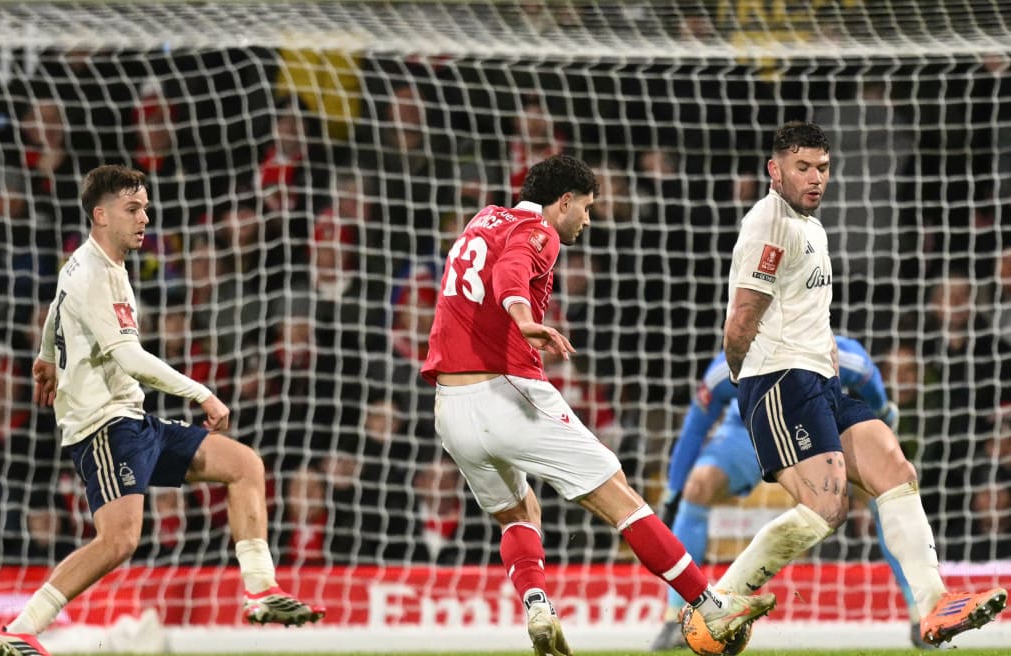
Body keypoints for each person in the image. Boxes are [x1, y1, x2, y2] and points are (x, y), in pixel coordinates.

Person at [420, 154, 776, 656]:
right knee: (621, 498)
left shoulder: (484, 219)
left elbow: (495, 269)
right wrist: (522, 319)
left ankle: (538, 603)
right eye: (585, 208)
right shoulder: (536, 231)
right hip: (505, 392)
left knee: (518, 512)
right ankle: (711, 606)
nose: (587, 219)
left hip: (450, 408)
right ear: (562, 201)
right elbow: (512, 274)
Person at [0, 165, 325, 656]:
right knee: (119, 540)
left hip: (132, 418)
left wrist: (45, 357)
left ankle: (260, 590)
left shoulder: (92, 264)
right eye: (133, 209)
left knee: (244, 466)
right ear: (100, 215)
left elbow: (56, 304)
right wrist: (202, 394)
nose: (145, 217)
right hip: (103, 426)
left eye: (145, 207)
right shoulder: (92, 277)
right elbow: (129, 357)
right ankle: (19, 628)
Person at [718, 121, 1006, 647]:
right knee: (826, 510)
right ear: (774, 170)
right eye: (802, 168)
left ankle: (934, 605)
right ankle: (717, 606)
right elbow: (740, 321)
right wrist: (750, 385)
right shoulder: (770, 225)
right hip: (780, 380)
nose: (815, 178)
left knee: (895, 468)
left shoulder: (812, 227)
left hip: (819, 380)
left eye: (822, 168)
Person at [649, 335, 936, 650]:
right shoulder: (730, 363)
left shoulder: (844, 354)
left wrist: (883, 416)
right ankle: (676, 618)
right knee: (697, 487)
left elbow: (874, 390)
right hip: (747, 433)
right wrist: (673, 493)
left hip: (816, 422)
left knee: (882, 490)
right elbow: (696, 425)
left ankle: (919, 613)